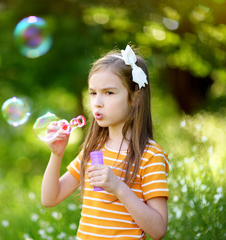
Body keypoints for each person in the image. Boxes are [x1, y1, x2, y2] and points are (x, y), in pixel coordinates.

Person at [41, 45, 169, 240]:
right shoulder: (93, 149)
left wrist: (118, 187)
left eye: (109, 93)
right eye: (93, 93)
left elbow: (158, 229)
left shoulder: (150, 156)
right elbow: (50, 198)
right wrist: (56, 154)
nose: (97, 102)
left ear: (135, 98)